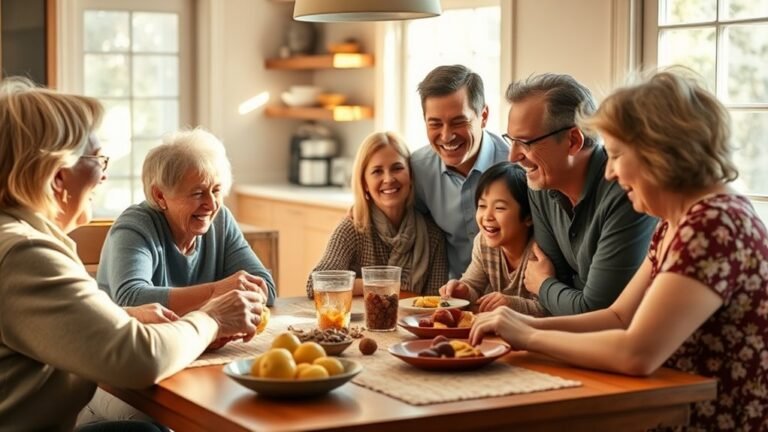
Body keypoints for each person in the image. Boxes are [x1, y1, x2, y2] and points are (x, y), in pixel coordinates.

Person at [471, 70, 768, 431]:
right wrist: (522, 324)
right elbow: (617, 317)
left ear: (657, 152)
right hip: (669, 407)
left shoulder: (713, 224)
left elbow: (637, 353)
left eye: (615, 155)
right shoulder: (679, 223)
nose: (609, 172)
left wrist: (529, 336)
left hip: (705, 418)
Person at [0, 78, 265, 430]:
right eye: (97, 159)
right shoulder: (25, 253)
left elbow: (48, 327)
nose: (105, 175)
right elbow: (141, 359)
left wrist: (125, 316)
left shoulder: (18, 240)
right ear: (57, 177)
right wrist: (213, 317)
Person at [505, 73, 657, 315]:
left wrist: (544, 285)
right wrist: (554, 290)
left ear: (574, 140)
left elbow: (600, 311)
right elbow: (554, 298)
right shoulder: (539, 183)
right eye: (510, 141)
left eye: (525, 142)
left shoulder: (627, 192)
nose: (512, 157)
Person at [97, 128, 276, 315]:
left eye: (216, 190)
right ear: (160, 195)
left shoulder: (221, 221)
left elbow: (266, 289)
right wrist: (216, 291)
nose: (211, 204)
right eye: (197, 193)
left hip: (199, 339)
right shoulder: (135, 227)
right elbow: (131, 298)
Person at [306, 131, 448, 297]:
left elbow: (436, 301)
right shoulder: (353, 228)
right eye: (377, 171)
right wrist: (383, 286)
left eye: (397, 168)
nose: (388, 179)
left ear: (411, 176)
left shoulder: (433, 235)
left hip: (412, 322)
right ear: (364, 183)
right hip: (358, 322)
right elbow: (316, 284)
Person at [411, 64, 510, 279]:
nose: (446, 136)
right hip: (451, 298)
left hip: (511, 301)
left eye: (458, 122)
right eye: (435, 124)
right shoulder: (417, 169)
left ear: (483, 116)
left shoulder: (516, 166)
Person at [439, 161, 545, 315]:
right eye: (482, 206)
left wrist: (510, 304)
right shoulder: (483, 242)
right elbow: (473, 285)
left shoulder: (540, 250)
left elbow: (550, 310)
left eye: (499, 208)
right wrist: (463, 291)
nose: (487, 216)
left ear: (528, 217)